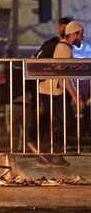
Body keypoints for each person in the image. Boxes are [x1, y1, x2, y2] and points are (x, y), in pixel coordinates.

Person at [35, 21, 85, 163]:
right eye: (81, 34)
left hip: (50, 90)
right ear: (74, 34)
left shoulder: (63, 47)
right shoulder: (64, 49)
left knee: (59, 122)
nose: (82, 37)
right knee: (64, 122)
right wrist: (75, 96)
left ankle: (48, 153)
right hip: (54, 91)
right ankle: (48, 152)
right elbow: (63, 76)